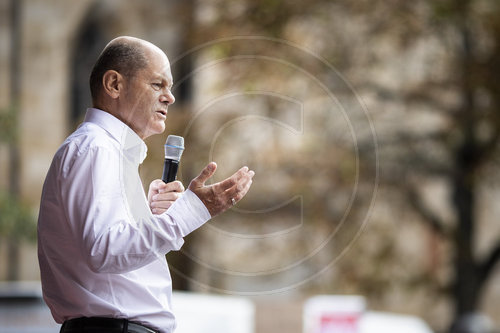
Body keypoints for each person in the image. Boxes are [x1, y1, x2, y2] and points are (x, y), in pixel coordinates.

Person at [37, 36, 254, 333]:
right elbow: (104, 250)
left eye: (171, 87)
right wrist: (192, 210)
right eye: (157, 85)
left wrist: (151, 218)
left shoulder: (106, 152)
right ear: (114, 84)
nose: (170, 97)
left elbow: (114, 256)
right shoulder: (96, 148)